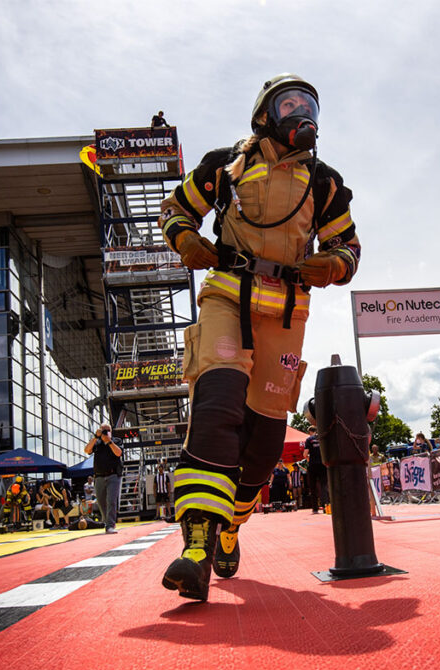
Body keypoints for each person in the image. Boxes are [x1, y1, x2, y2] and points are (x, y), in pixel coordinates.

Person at [156, 74, 360, 601]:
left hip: (287, 314)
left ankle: (231, 526)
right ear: (265, 115)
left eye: (309, 103)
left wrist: (334, 264)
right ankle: (196, 547)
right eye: (290, 103)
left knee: (266, 446)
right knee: (218, 405)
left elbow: (351, 248)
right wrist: (186, 240)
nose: (302, 111)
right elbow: (176, 210)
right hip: (227, 296)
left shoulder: (326, 183)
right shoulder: (225, 164)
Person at [85, 423, 122, 534]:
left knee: (111, 500)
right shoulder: (97, 443)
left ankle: (110, 525)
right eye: (103, 430)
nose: (105, 432)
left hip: (113, 475)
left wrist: (109, 441)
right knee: (101, 502)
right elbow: (87, 450)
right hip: (99, 476)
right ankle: (107, 522)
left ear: (111, 431)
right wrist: (96, 437)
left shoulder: (116, 441)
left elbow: (119, 453)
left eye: (107, 430)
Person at [303, 426, 329, 514]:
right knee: (324, 486)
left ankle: (315, 508)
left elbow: (305, 454)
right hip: (322, 464)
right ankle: (326, 506)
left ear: (310, 432)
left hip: (313, 465)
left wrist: (308, 458)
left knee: (313, 487)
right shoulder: (322, 437)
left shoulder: (309, 440)